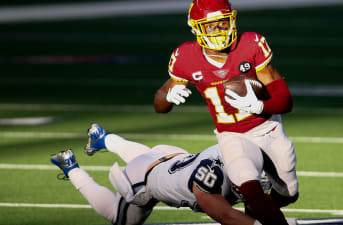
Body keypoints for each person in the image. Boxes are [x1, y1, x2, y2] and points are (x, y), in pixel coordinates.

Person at [153, 0, 299, 224]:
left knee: (289, 194)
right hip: (232, 134)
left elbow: (286, 101)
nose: (219, 31)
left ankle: (258, 212)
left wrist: (260, 106)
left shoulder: (251, 44)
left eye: (222, 23)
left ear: (232, 20)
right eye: (210, 26)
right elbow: (159, 105)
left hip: (267, 127)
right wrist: (168, 97)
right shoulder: (185, 57)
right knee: (250, 186)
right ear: (196, 28)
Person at [50, 123, 283, 225]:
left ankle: (103, 138)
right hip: (144, 180)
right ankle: (71, 167)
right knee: (120, 219)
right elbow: (226, 217)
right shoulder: (208, 180)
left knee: (149, 158)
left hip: (171, 158)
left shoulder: (238, 157)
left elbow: (255, 208)